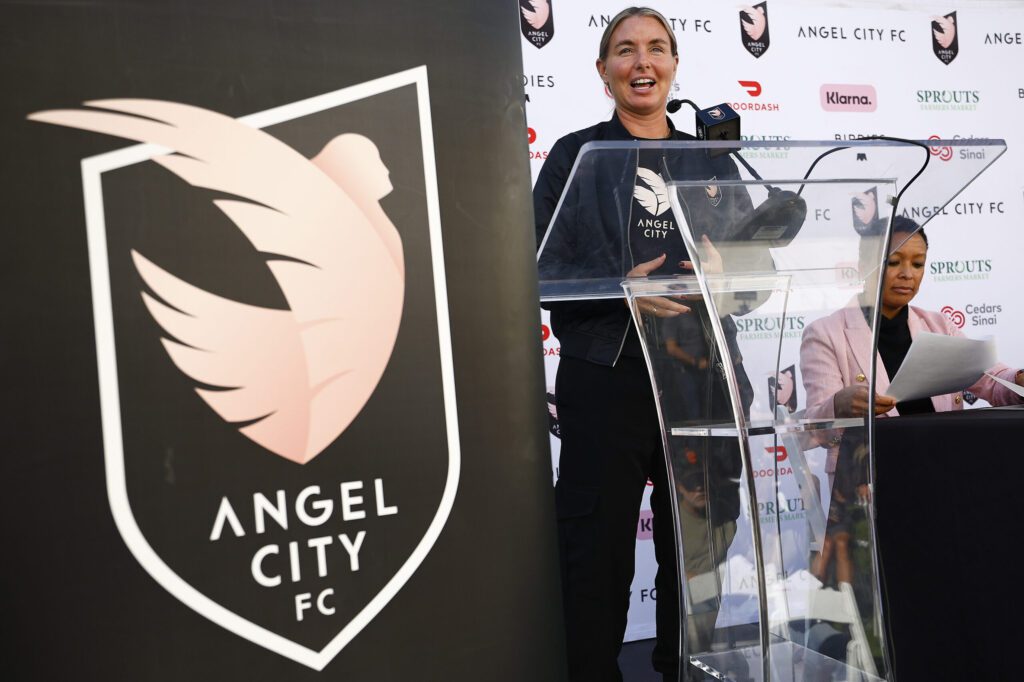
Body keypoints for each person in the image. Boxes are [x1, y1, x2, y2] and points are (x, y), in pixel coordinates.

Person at [532, 8, 755, 681]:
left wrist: (729, 276)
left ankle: (684, 670)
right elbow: (538, 266)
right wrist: (617, 289)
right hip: (609, 379)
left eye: (657, 49)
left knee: (699, 558)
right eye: (624, 51)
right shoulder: (576, 156)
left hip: (701, 373)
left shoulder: (710, 156)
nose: (642, 62)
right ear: (604, 72)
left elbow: (755, 272)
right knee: (595, 554)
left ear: (674, 66)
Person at [801, 216, 1024, 424]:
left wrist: (1018, 379)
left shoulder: (940, 326)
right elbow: (814, 425)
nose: (907, 274)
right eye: (894, 262)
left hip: (948, 456)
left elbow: (993, 381)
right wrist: (839, 405)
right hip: (874, 463)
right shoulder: (825, 333)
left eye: (917, 264)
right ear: (864, 266)